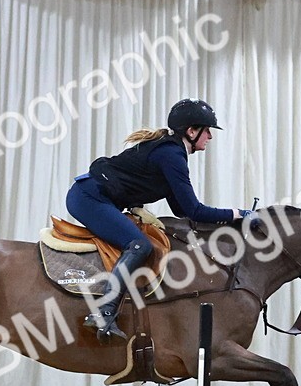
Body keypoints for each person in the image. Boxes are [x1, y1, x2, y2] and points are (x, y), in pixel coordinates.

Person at [66, 98, 248, 342]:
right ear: (192, 131)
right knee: (140, 245)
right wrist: (237, 214)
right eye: (207, 131)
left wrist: (227, 221)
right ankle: (104, 312)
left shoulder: (172, 152)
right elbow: (194, 210)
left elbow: (182, 210)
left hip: (95, 197)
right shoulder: (171, 155)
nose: (210, 138)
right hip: (88, 197)